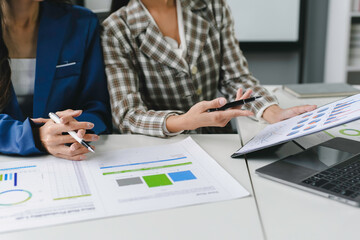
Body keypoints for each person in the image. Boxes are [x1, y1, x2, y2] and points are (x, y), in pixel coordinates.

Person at [103, 0, 316, 137]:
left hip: (217, 136)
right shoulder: (116, 28)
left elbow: (237, 78)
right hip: (160, 144)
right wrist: (183, 121)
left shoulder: (213, 7)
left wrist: (271, 111)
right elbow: (127, 115)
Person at [0, 0, 112, 160]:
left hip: (66, 158)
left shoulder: (82, 22)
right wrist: (34, 136)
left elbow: (97, 106)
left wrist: (74, 127)